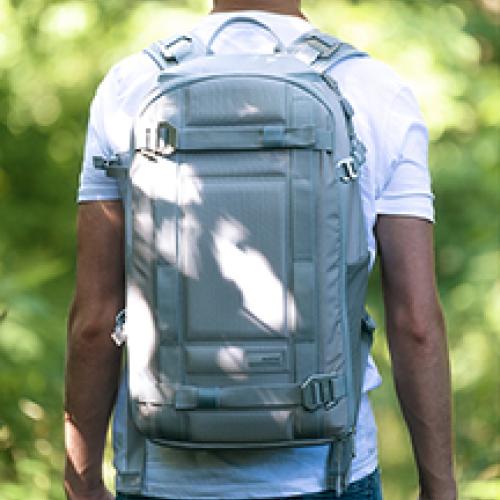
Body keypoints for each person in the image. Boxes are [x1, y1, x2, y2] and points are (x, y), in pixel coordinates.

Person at [64, 1, 457, 499]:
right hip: (327, 475)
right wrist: (439, 486)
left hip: (164, 477)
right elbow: (415, 321)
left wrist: (81, 482)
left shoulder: (129, 87)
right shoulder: (377, 90)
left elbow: (95, 318)